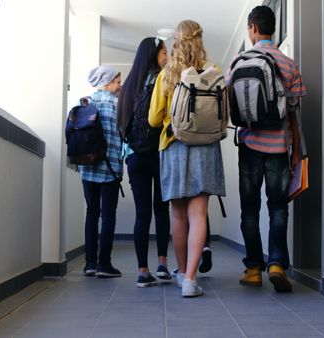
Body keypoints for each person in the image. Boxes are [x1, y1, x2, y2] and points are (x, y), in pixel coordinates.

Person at [227, 6, 307, 292]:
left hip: (249, 145)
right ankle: (276, 264)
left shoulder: (237, 62)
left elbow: (229, 103)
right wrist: (296, 150)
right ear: (272, 28)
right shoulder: (288, 63)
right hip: (278, 147)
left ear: (251, 28)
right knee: (278, 207)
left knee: (250, 209)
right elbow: (295, 111)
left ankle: (252, 269)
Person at [148, 20, 226, 297]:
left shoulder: (167, 74)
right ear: (200, 39)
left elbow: (154, 117)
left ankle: (182, 273)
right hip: (206, 147)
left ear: (176, 42)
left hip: (174, 145)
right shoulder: (214, 71)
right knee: (199, 213)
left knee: (178, 214)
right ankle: (192, 279)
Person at [117, 37, 172, 288]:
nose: (167, 58)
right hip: (159, 152)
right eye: (164, 53)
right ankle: (162, 264)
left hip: (135, 157)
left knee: (142, 214)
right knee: (161, 209)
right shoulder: (161, 80)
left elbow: (122, 126)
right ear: (154, 55)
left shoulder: (127, 86)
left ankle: (142, 271)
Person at [80, 65, 124, 278]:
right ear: (107, 82)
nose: (119, 86)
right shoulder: (116, 104)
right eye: (117, 81)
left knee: (91, 213)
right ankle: (104, 264)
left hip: (87, 168)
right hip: (110, 168)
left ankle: (89, 263)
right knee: (108, 216)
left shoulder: (84, 103)